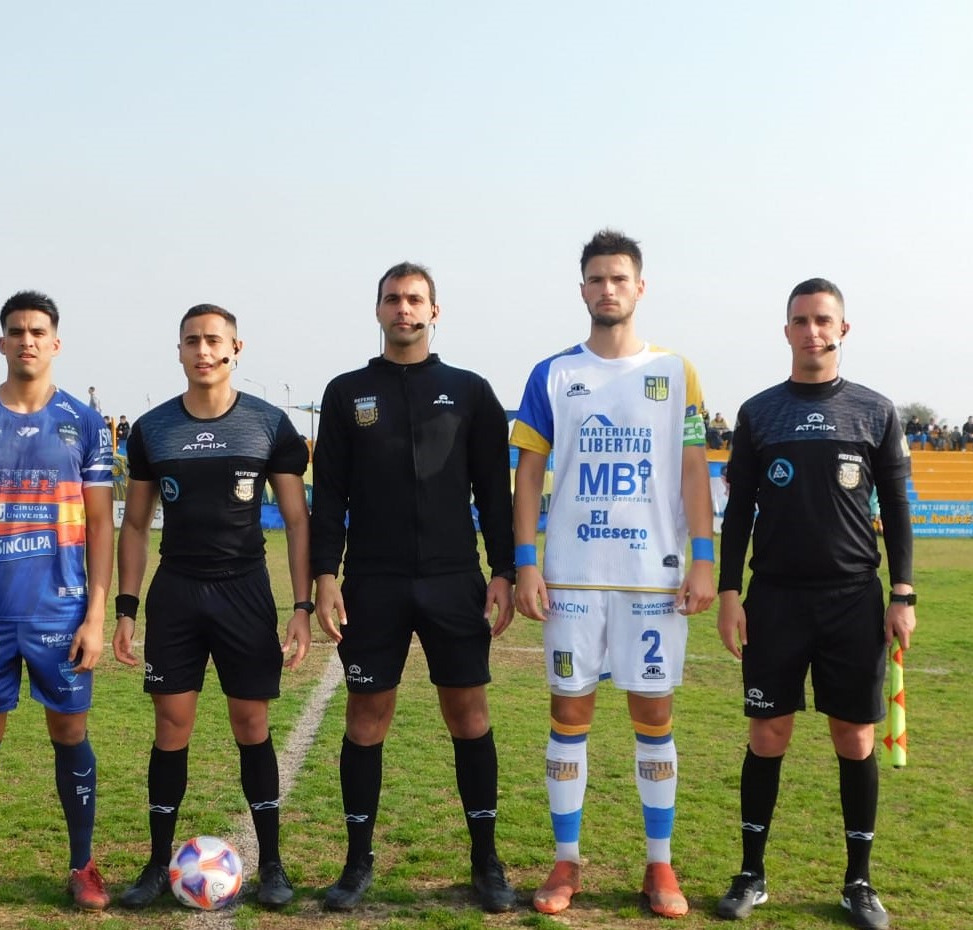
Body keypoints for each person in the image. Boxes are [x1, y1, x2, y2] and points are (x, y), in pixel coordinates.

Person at [510, 230, 715, 918]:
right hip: (572, 578)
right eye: (596, 279)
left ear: (639, 287)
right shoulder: (552, 374)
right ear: (582, 290)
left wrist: (704, 559)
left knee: (653, 716)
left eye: (619, 278)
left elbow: (694, 472)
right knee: (569, 713)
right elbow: (529, 476)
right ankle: (566, 860)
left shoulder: (676, 373)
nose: (608, 289)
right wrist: (526, 563)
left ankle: (660, 863)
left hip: (652, 578)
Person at [311, 262, 517, 914]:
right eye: (393, 299)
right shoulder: (346, 393)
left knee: (469, 715)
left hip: (454, 579)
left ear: (434, 311)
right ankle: (357, 862)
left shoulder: (470, 391)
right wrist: (325, 575)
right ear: (379, 310)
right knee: (366, 717)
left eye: (415, 299)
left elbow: (494, 491)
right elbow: (329, 495)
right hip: (373, 581)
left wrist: (504, 570)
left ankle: (486, 861)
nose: (404, 309)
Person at [714, 278, 916, 930]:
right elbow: (737, 515)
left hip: (853, 598)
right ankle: (751, 873)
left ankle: (859, 882)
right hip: (774, 599)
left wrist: (904, 593)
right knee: (767, 734)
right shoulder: (758, 413)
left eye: (823, 320)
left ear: (842, 329)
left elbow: (898, 510)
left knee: (854, 738)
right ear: (787, 331)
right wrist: (729, 593)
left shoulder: (875, 411)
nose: (812, 331)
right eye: (801, 321)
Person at [113, 303, 312, 909]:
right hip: (177, 593)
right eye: (192, 341)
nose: (203, 350)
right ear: (179, 350)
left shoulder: (269, 424)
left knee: (251, 724)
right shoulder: (152, 429)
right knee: (171, 726)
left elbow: (298, 520)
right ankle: (156, 865)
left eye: (214, 340)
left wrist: (301, 605)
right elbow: (136, 524)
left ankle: (272, 864)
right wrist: (127, 608)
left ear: (235, 349)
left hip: (244, 591)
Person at [0, 290, 115, 914]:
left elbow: (101, 523)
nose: (27, 340)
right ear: (2, 342)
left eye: (38, 331)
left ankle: (83, 865)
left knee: (70, 729)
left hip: (60, 613)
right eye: (16, 331)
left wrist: (96, 615)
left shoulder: (85, 423)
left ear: (55, 343)